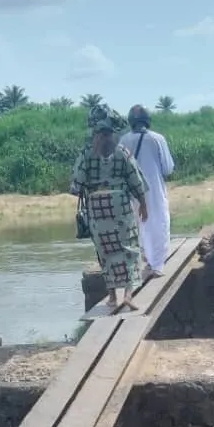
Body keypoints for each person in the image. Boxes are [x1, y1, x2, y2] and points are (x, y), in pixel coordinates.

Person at [70, 104, 148, 311]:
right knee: (129, 248)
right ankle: (129, 295)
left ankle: (112, 297)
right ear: (112, 132)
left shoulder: (86, 154)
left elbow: (76, 186)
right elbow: (136, 181)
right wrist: (144, 206)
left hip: (97, 208)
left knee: (105, 252)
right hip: (121, 206)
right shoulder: (122, 152)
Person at [119, 105, 175, 279]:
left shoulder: (123, 140)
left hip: (131, 191)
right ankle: (156, 265)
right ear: (147, 121)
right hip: (154, 190)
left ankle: (143, 261)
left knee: (137, 226)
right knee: (158, 224)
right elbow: (167, 168)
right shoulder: (158, 139)